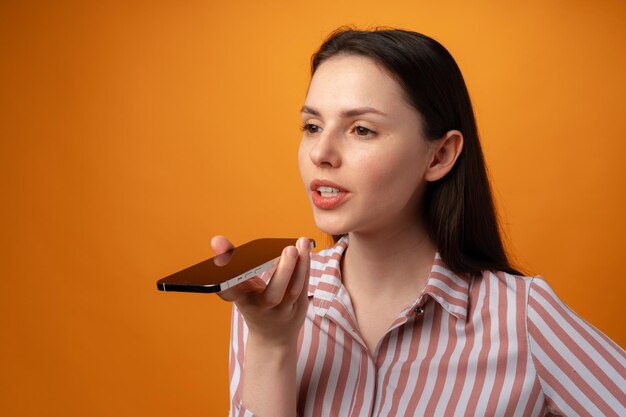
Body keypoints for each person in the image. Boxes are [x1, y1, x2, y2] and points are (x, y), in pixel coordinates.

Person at [212, 28, 626, 417]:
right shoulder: (266, 302)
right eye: (312, 125)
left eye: (361, 129)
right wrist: (270, 343)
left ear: (440, 155)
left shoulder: (521, 316)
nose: (321, 152)